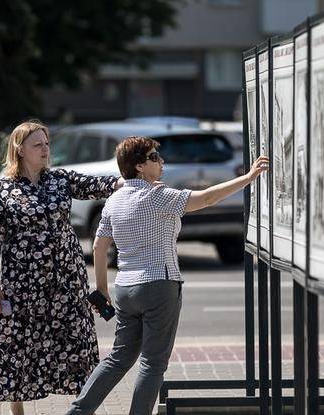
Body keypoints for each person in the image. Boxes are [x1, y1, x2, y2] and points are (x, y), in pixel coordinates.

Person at [66, 136, 269, 414]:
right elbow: (207, 198)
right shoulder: (158, 196)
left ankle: (77, 411)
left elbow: (100, 246)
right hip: (159, 284)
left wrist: (101, 288)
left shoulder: (113, 201)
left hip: (125, 287)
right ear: (138, 166)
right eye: (153, 158)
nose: (161, 162)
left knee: (119, 357)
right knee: (152, 363)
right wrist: (248, 177)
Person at [0, 120, 125, 415]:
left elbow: (94, 185)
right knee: (20, 345)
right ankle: (18, 411)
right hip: (23, 284)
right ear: (19, 150)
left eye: (47, 143)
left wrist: (125, 182)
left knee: (78, 342)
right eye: (37, 144)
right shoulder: (2, 189)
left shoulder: (59, 179)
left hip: (67, 280)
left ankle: (85, 409)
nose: (45, 149)